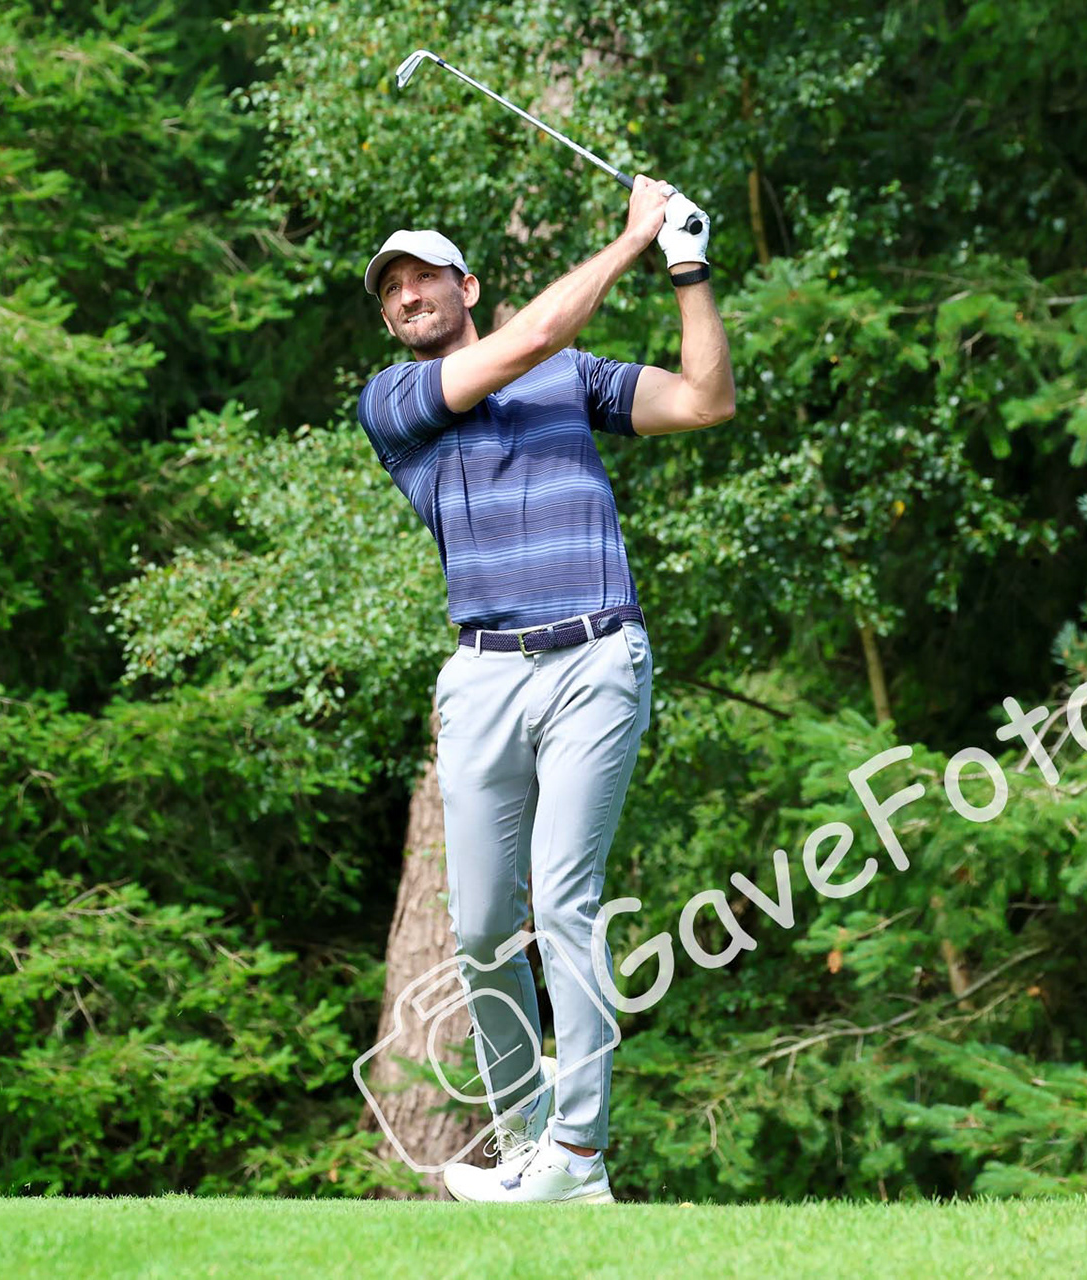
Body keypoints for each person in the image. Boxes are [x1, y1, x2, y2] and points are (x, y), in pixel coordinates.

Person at [356, 176, 735, 1204]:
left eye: (421, 276)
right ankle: (526, 1137)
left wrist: (688, 266)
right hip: (483, 675)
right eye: (389, 290)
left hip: (597, 658)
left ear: (465, 282)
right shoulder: (394, 402)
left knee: (563, 899)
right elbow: (518, 346)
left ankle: (577, 1153)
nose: (404, 298)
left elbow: (706, 398)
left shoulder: (569, 375)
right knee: (481, 924)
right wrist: (627, 243)